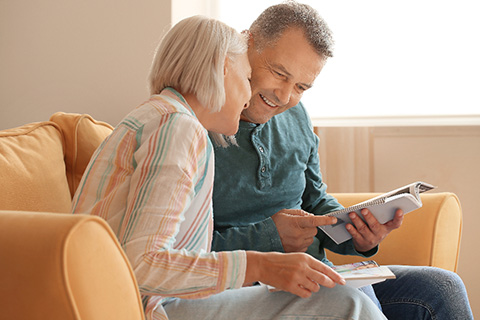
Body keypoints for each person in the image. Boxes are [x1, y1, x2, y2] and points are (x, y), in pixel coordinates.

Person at [71, 15, 387, 320]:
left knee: (421, 288)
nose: (249, 99)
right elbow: (140, 265)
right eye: (247, 77)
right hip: (151, 303)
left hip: (159, 294)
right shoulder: (178, 127)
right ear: (223, 70)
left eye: (301, 87)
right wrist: (259, 264)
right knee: (348, 304)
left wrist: (355, 230)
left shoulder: (165, 118)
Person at [211, 2, 474, 319]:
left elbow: (315, 200)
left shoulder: (296, 116)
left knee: (441, 287)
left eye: (301, 87)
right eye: (279, 73)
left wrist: (357, 232)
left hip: (317, 276)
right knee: (349, 295)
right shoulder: (197, 125)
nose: (284, 96)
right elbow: (177, 252)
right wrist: (270, 236)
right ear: (247, 41)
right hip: (247, 289)